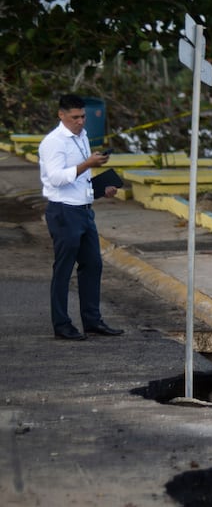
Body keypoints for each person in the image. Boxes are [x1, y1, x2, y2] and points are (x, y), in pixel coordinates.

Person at [38, 93, 124, 340]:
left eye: (83, 116)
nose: (80, 121)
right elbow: (55, 178)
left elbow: (79, 180)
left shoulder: (82, 136)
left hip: (84, 209)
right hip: (64, 211)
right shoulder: (54, 142)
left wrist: (101, 189)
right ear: (61, 115)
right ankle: (62, 324)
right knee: (63, 269)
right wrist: (88, 163)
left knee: (93, 265)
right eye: (75, 117)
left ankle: (92, 320)